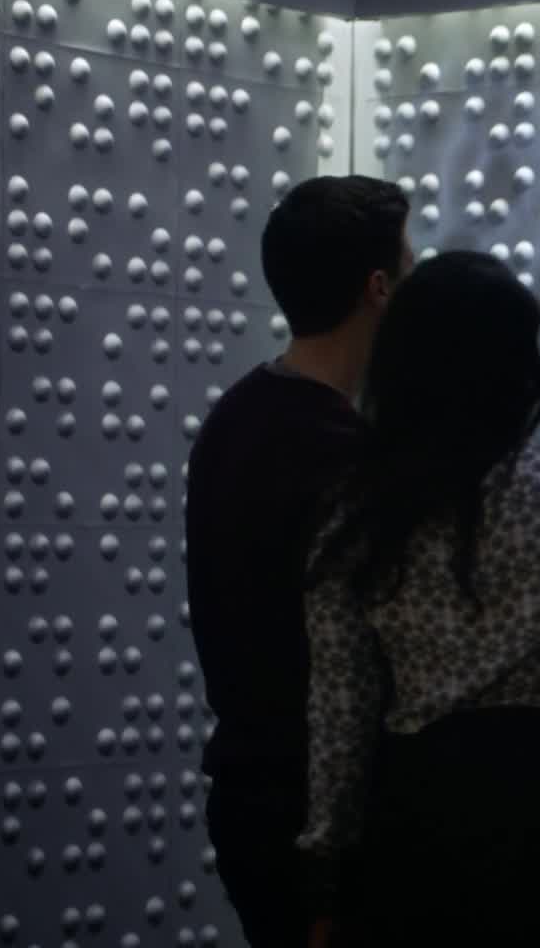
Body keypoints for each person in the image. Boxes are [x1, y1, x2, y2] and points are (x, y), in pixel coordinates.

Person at [296, 250, 540, 947]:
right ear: (515, 366)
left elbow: (340, 707)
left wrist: (326, 867)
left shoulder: (359, 512)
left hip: (416, 834)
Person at [184, 175, 412, 948]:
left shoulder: (233, 418)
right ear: (378, 287)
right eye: (409, 265)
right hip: (329, 813)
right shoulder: (346, 452)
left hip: (247, 795)